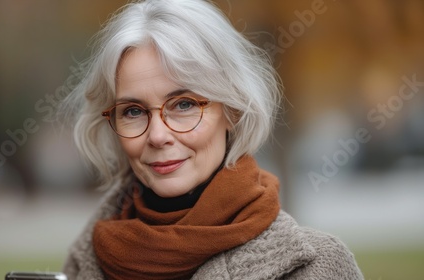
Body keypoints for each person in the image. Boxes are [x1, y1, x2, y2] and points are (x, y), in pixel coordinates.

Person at [62, 0, 363, 279]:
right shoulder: (85, 263)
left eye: (183, 105)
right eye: (132, 111)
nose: (157, 135)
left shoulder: (316, 267)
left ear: (232, 110)